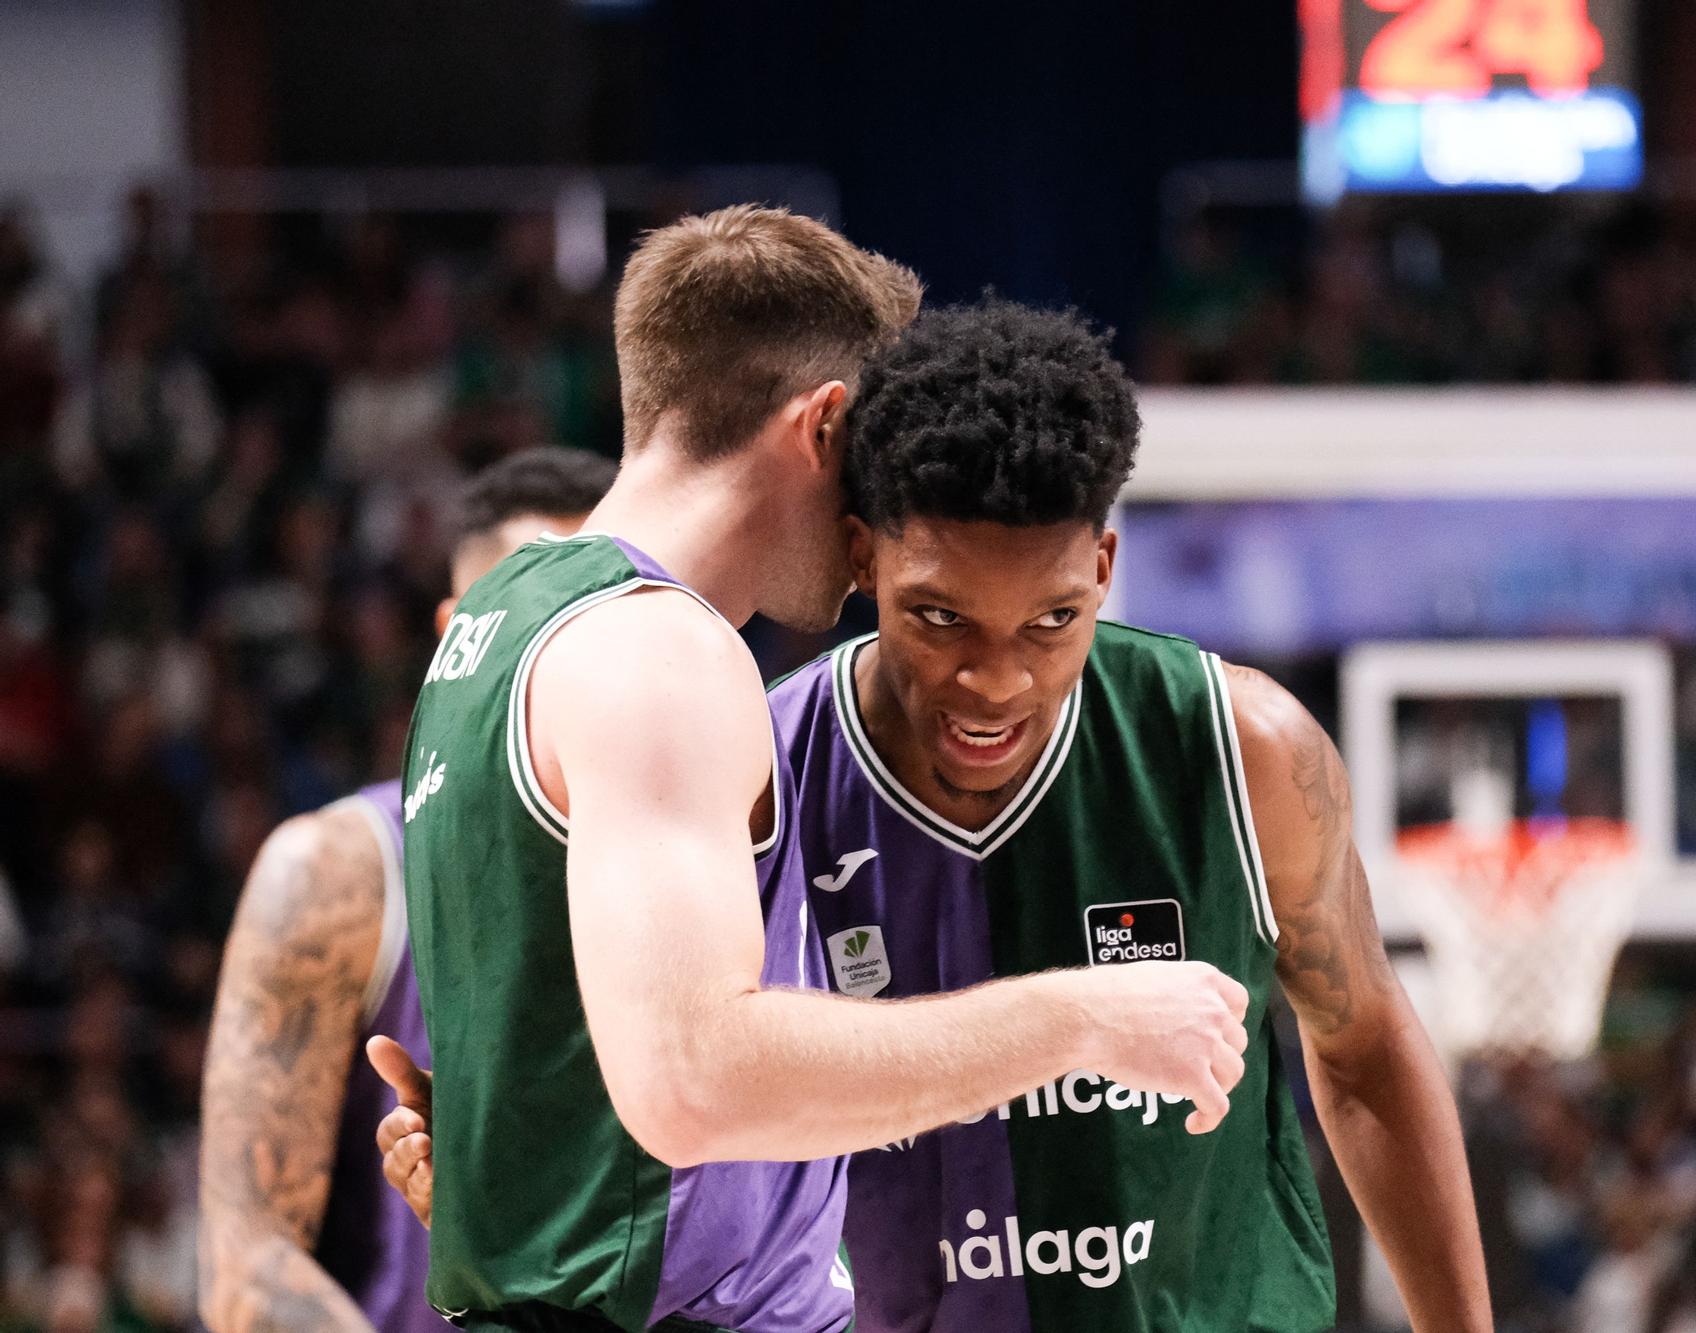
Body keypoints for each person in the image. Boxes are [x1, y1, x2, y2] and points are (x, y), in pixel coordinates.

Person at [379, 299, 1492, 1330]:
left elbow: (1365, 1050)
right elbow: (679, 1086)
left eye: (1050, 619)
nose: (995, 679)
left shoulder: (1239, 747)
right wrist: (501, 1173)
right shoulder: (759, 765)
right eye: (942, 617)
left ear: (1103, 569)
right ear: (863, 559)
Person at [197, 447, 618, 1332]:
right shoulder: (339, 871)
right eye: (540, 617)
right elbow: (248, 1268)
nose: (575, 652)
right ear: (455, 635)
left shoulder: (731, 851)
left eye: (606, 619)